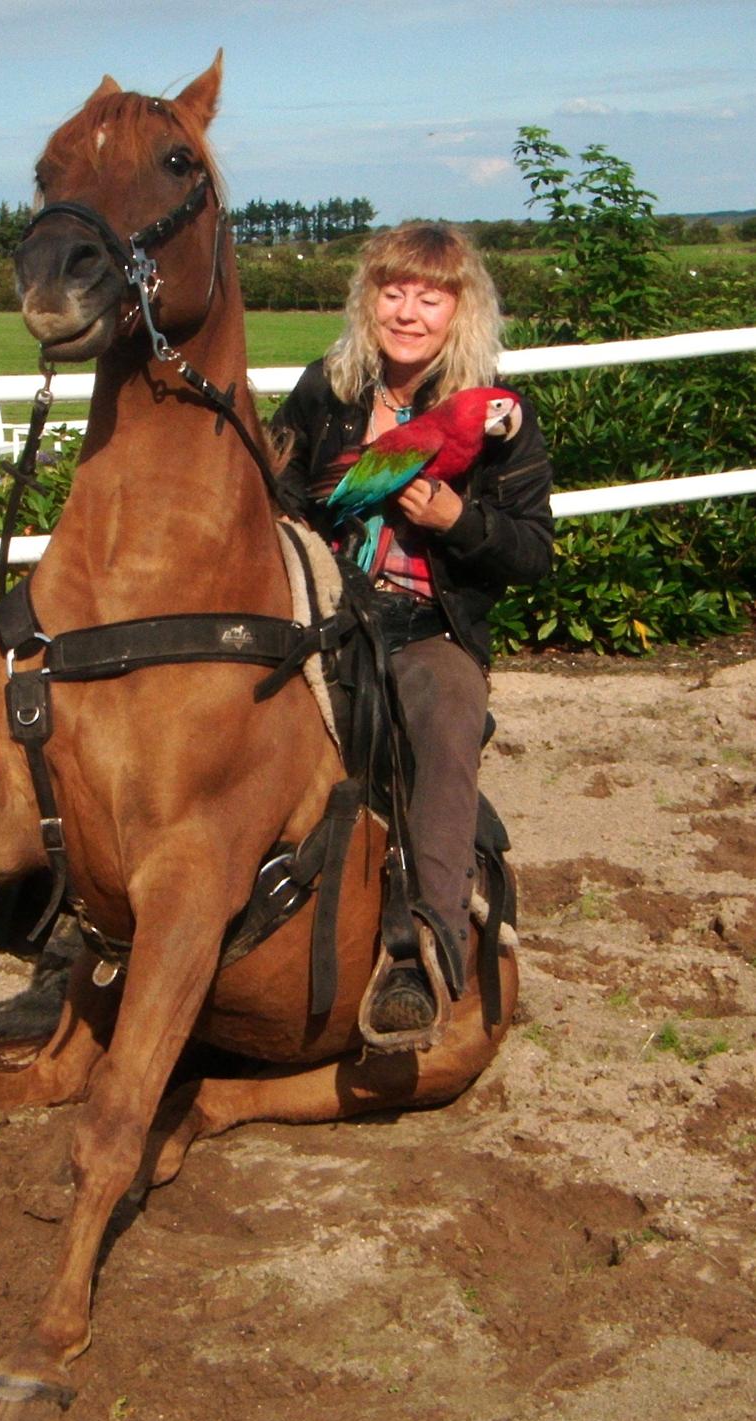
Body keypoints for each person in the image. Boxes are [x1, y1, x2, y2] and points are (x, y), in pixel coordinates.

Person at [273, 222, 554, 1038]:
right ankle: (75, 892)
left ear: (459, 310)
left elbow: (533, 551)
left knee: (448, 714)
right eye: (392, 292)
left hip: (429, 625)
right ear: (370, 300)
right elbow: (278, 491)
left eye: (429, 297)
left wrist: (460, 519)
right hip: (318, 606)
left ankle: (425, 950)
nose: (407, 312)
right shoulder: (326, 389)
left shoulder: (499, 415)